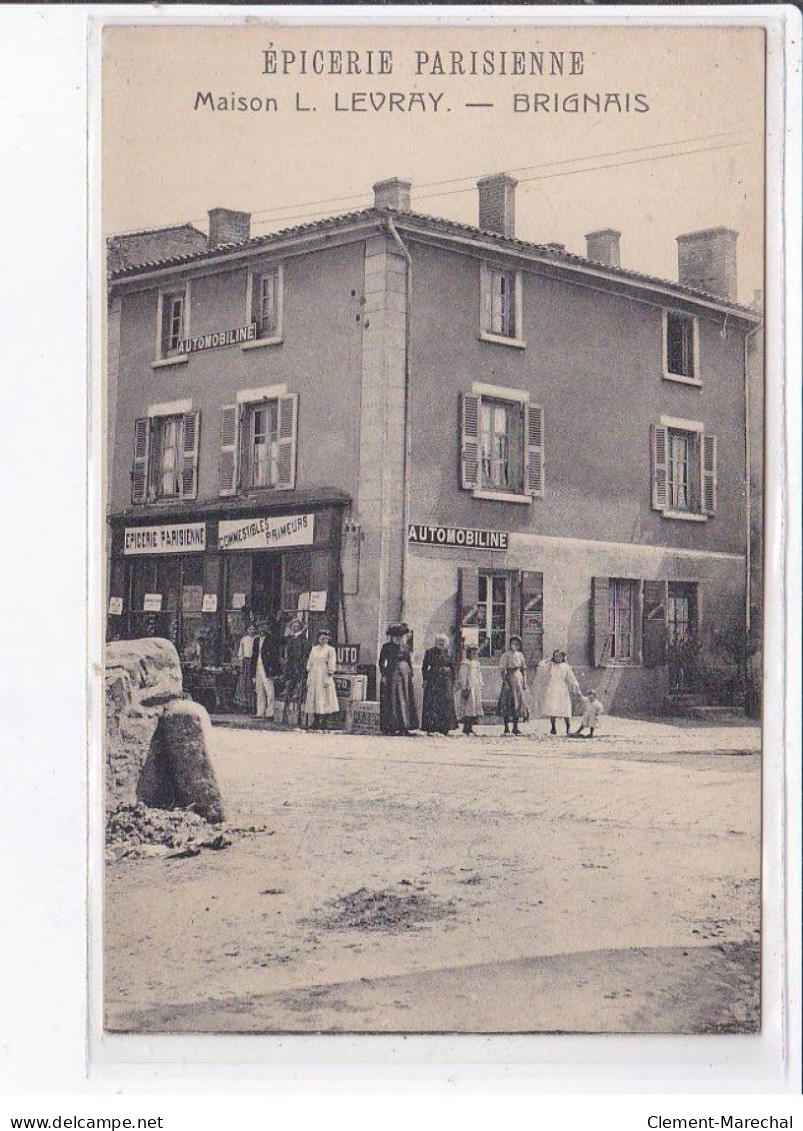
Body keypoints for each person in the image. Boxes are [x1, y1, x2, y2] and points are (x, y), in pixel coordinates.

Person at [421, 633, 458, 735]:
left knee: (446, 704)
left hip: (446, 683)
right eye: (439, 642)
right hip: (433, 681)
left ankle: (445, 728)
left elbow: (453, 667)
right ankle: (431, 728)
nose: (441, 644)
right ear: (436, 643)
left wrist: (454, 682)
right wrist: (425, 680)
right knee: (432, 704)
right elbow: (424, 667)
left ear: (446, 644)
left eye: (443, 642)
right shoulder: (429, 652)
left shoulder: (448, 653)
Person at [539, 649, 581, 735]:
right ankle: (553, 727)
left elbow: (572, 678)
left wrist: (576, 686)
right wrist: (549, 660)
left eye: (560, 656)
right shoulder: (551, 665)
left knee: (565, 708)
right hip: (552, 688)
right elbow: (541, 665)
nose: (558, 658)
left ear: (563, 657)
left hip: (562, 688)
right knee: (552, 708)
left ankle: (568, 728)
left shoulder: (566, 666)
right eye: (556, 656)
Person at [305, 628, 340, 729]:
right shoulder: (314, 649)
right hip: (314, 675)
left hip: (324, 675)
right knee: (315, 697)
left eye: (326, 639)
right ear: (318, 639)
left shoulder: (330, 650)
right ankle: (315, 721)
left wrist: (329, 676)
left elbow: (332, 664)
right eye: (322, 638)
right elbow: (310, 662)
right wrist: (309, 672)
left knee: (325, 698)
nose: (324, 641)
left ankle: (324, 722)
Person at [251, 619, 281, 719]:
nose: (261, 629)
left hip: (267, 667)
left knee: (269, 690)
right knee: (259, 690)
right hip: (258, 666)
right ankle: (260, 712)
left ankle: (270, 713)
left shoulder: (271, 639)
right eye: (260, 627)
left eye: (264, 627)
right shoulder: (256, 640)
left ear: (267, 628)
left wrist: (274, 669)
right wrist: (253, 674)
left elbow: (274, 655)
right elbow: (254, 656)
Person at [282, 617, 310, 727]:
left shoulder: (303, 640)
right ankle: (287, 717)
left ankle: (299, 718)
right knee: (289, 689)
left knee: (299, 691)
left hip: (299, 667)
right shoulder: (290, 639)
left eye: (297, 626)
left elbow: (305, 653)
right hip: (290, 668)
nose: (295, 628)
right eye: (293, 626)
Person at [498, 635, 527, 736]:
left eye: (517, 644)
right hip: (509, 678)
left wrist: (525, 682)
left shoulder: (520, 655)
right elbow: (502, 670)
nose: (515, 645)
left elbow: (523, 669)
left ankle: (515, 727)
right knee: (507, 702)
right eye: (513, 643)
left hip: (518, 678)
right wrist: (505, 682)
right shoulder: (506, 655)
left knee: (518, 703)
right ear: (510, 644)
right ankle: (506, 728)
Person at [458, 644, 483, 736]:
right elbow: (463, 676)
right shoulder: (465, 663)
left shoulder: (476, 664)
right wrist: (464, 687)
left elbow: (478, 675)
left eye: (475, 653)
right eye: (472, 652)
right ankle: (466, 727)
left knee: (474, 708)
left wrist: (480, 684)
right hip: (469, 688)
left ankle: (471, 727)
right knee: (468, 708)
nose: (474, 654)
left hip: (475, 687)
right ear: (468, 653)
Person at [236, 618, 255, 713]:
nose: (252, 631)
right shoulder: (244, 639)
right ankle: (243, 704)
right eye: (250, 629)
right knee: (244, 682)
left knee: (251, 683)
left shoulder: (256, 639)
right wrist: (241, 661)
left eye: (253, 629)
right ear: (247, 630)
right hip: (246, 662)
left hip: (253, 661)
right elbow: (241, 652)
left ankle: (252, 704)